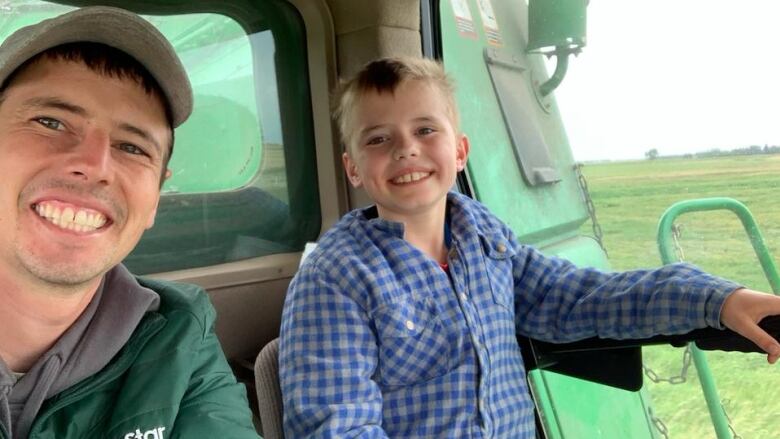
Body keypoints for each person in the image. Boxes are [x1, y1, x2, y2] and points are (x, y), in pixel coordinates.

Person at [278, 57, 780, 438]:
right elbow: (337, 425)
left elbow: (579, 296)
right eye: (378, 139)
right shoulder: (336, 277)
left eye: (425, 129)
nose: (405, 148)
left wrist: (716, 300)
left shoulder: (483, 238)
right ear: (353, 170)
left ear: (459, 151)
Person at [0, 7, 260, 439]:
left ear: (155, 197)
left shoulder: (179, 337)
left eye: (132, 147)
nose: (95, 165)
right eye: (51, 122)